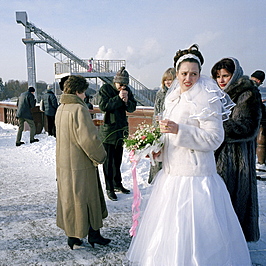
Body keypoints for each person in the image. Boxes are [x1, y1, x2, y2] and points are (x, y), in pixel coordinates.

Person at [127, 44, 251, 265]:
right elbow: (167, 134)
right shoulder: (172, 98)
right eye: (184, 74)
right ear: (177, 73)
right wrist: (157, 150)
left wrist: (181, 130)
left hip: (197, 178)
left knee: (198, 235)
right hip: (171, 175)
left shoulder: (207, 98)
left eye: (194, 73)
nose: (188, 78)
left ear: (199, 73)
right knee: (169, 233)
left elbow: (214, 138)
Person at [55, 75, 110, 250]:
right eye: (84, 92)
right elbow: (88, 139)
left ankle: (73, 236)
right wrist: (100, 156)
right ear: (77, 91)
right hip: (80, 163)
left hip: (65, 163)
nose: (85, 96)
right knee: (88, 199)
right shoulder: (79, 110)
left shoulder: (61, 108)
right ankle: (94, 235)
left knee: (70, 199)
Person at [212, 58, 262, 242]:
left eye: (226, 75)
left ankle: (235, 241)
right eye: (218, 76)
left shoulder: (247, 93)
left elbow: (248, 127)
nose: (222, 80)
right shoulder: (216, 94)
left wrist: (215, 127)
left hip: (238, 157)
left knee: (236, 201)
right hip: (219, 155)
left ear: (235, 75)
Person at [98, 66, 137, 201]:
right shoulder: (105, 90)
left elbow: (132, 107)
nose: (123, 87)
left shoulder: (127, 91)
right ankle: (109, 188)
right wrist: (118, 98)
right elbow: (104, 106)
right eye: (121, 84)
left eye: (125, 85)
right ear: (115, 82)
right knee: (108, 162)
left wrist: (126, 101)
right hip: (108, 131)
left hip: (121, 130)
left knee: (117, 161)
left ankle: (117, 184)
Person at [148, 67, 176, 184]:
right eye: (166, 80)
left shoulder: (178, 93)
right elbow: (156, 112)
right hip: (160, 130)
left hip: (172, 130)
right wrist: (155, 127)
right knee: (158, 158)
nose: (168, 82)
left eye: (170, 79)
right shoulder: (160, 94)